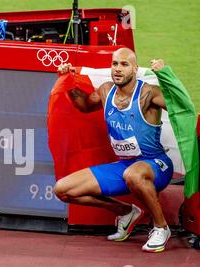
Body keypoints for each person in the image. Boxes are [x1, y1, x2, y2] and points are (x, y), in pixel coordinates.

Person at [54, 47, 174, 253]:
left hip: (156, 164)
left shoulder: (148, 94)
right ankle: (126, 212)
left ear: (135, 69)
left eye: (124, 64)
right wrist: (68, 81)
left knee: (133, 174)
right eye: (115, 64)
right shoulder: (106, 90)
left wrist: (167, 76)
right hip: (125, 166)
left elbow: (180, 106)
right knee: (63, 190)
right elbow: (84, 105)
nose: (118, 69)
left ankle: (161, 228)